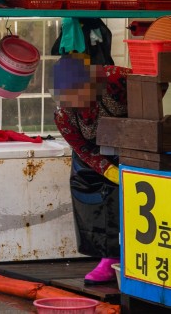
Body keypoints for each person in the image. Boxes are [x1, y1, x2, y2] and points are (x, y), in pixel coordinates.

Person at [53, 55, 128, 285]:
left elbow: (156, 82)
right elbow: (82, 148)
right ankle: (109, 258)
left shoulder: (115, 77)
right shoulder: (63, 116)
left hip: (132, 141)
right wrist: (109, 171)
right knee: (94, 194)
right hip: (94, 155)